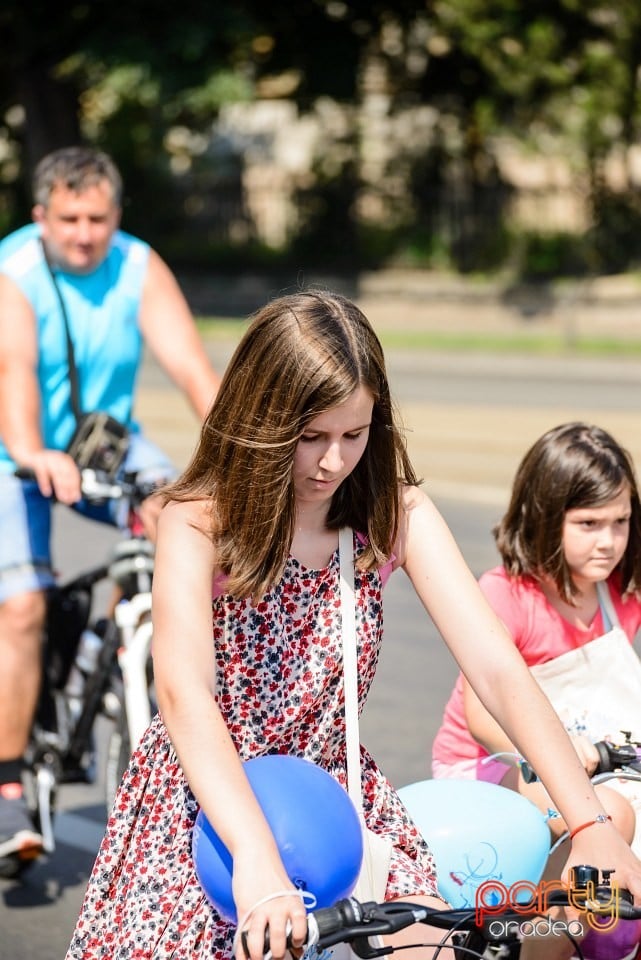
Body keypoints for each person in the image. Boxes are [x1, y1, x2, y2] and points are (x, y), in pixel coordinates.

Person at [66, 296, 641, 960]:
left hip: (338, 806)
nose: (332, 462)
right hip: (210, 814)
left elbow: (497, 669)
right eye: (309, 436)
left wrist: (590, 822)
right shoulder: (197, 521)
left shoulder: (394, 514)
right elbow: (183, 693)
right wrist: (255, 857)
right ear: (258, 421)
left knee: (441, 946)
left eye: (354, 433)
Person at [0, 145, 222, 873]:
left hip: (105, 447)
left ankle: (137, 656)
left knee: (178, 516)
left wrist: (240, 449)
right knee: (23, 606)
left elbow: (191, 368)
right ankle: (7, 786)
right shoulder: (15, 270)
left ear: (115, 216)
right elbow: (16, 374)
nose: (85, 233)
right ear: (42, 217)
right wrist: (34, 452)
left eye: (98, 218)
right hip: (13, 452)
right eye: (69, 218)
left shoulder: (137, 264)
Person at [432, 421, 641, 958]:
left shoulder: (619, 598)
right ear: (546, 516)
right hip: (491, 769)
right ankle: (546, 946)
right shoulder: (508, 595)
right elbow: (482, 717)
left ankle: (602, 932)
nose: (609, 541)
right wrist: (555, 753)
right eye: (589, 523)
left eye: (620, 522)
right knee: (608, 816)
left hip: (597, 765)